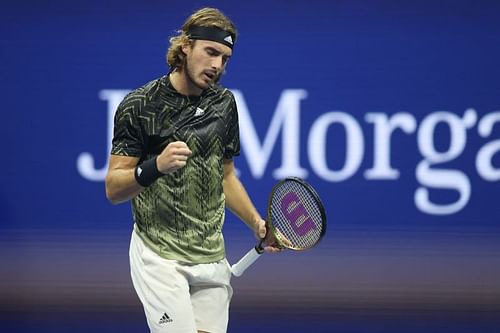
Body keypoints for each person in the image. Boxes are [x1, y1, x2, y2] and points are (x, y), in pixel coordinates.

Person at [105, 7, 281, 333]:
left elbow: (225, 175)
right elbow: (114, 189)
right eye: (211, 52)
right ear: (185, 46)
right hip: (160, 257)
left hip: (212, 256)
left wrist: (257, 222)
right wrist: (155, 166)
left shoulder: (224, 104)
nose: (217, 65)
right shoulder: (139, 105)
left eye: (225, 58)